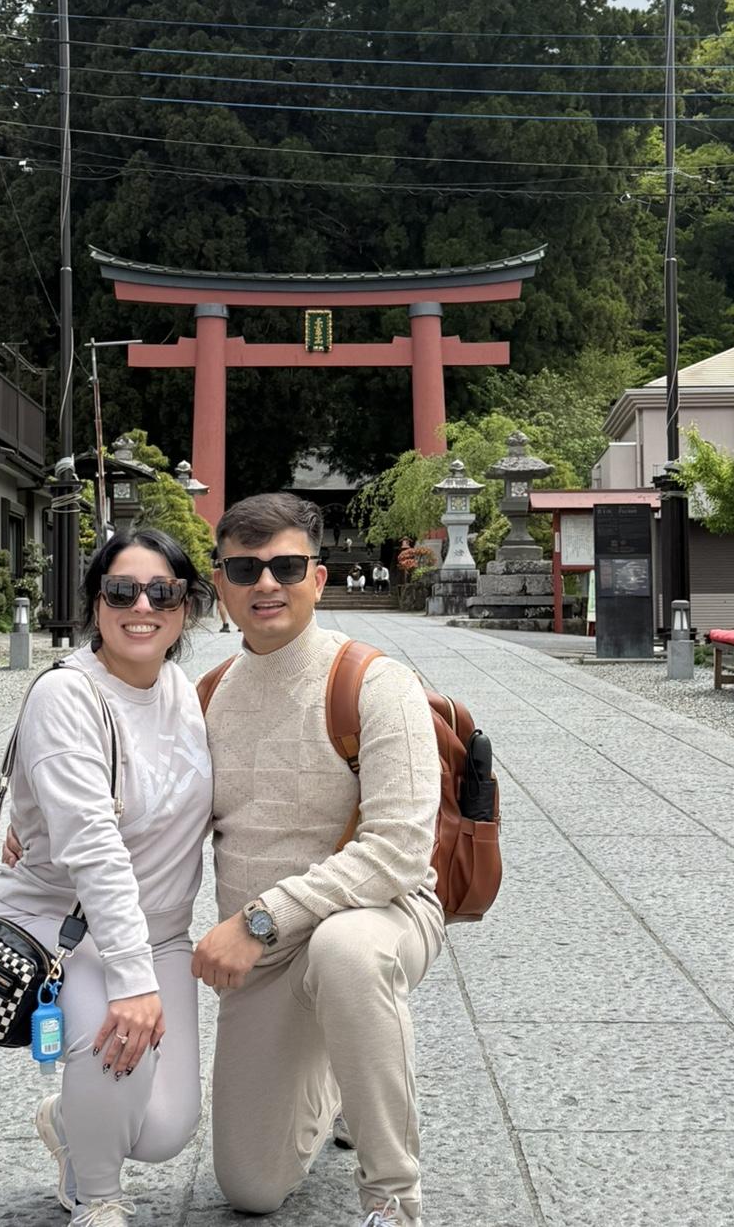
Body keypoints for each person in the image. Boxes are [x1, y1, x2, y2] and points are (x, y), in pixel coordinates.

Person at [193, 493, 443, 1227]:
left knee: (345, 952)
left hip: (379, 914)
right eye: (245, 569)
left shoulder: (375, 682)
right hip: (265, 955)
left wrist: (262, 918)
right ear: (221, 584)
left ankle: (392, 1197)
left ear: (319, 578)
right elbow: (157, 818)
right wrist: (42, 829)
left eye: (287, 567)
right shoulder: (206, 697)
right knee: (250, 1188)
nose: (266, 584)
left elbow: (398, 849)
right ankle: (339, 1072)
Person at [0, 529, 214, 1227]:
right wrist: (132, 982)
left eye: (162, 592)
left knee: (166, 1130)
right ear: (94, 604)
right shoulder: (67, 695)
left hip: (162, 930)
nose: (142, 607)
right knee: (114, 1044)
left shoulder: (183, 692)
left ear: (186, 608)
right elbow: (94, 848)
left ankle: (70, 1120)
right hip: (66, 924)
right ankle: (98, 1197)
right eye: (121, 591)